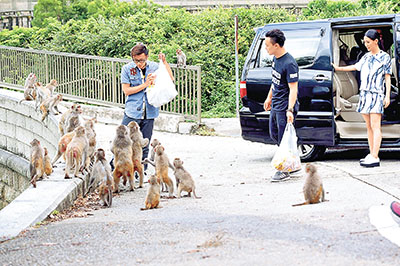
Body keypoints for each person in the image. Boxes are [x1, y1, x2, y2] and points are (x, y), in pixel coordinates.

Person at [333, 29, 391, 167]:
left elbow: (387, 78)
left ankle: (375, 156)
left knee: (376, 126)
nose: (366, 45)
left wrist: (387, 96)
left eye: (368, 42)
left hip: (376, 94)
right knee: (369, 126)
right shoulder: (365, 57)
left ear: (376, 41)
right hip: (364, 94)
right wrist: (338, 68)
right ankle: (371, 153)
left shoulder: (385, 58)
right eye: (365, 42)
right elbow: (355, 67)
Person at [111, 43, 174, 172]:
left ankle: (140, 171)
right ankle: (115, 168)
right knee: (122, 142)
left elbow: (170, 78)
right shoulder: (127, 69)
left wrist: (164, 62)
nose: (139, 63)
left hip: (149, 111)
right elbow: (127, 90)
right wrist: (145, 84)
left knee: (144, 143)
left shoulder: (154, 67)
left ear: (147, 57)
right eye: (136, 60)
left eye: (142, 60)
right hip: (132, 111)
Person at [263, 29, 299, 182]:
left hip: (285, 105)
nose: (266, 48)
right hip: (276, 103)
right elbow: (275, 81)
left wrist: (290, 110)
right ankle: (290, 165)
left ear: (276, 45)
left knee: (283, 139)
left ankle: (284, 170)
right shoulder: (276, 59)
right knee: (274, 134)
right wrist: (269, 97)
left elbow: (293, 88)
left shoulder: (289, 63)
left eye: (267, 45)